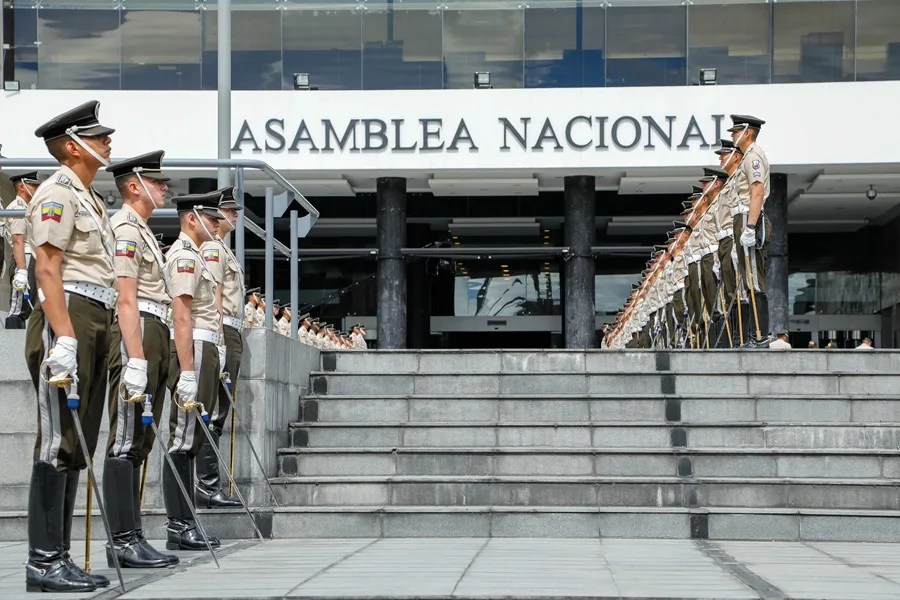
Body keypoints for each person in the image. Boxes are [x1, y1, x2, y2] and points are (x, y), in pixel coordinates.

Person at [24, 100, 116, 593]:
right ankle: (43, 561)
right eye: (98, 137)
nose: (108, 142)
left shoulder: (91, 197)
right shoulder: (57, 192)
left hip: (96, 313)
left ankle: (60, 557)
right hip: (70, 313)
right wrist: (62, 337)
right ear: (72, 146)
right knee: (57, 438)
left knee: (78, 443)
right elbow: (46, 266)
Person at [102, 151, 179, 568]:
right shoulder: (125, 228)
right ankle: (122, 540)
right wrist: (134, 357)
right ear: (134, 186)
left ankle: (132, 536)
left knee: (141, 437)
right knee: (127, 436)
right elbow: (127, 297)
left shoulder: (143, 230)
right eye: (157, 181)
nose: (165, 187)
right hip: (139, 330)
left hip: (155, 329)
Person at [163, 191, 226, 551]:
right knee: (183, 438)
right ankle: (179, 525)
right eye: (211, 218)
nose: (218, 224)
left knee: (193, 437)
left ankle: (186, 521)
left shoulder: (197, 255)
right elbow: (182, 314)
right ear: (192, 218)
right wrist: (187, 371)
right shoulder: (184, 256)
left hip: (205, 345)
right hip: (194, 347)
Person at [195, 187, 245, 510]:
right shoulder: (213, 248)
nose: (235, 215)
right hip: (222, 329)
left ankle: (209, 484)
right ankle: (207, 484)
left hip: (231, 329)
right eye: (229, 211)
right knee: (213, 410)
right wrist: (220, 339)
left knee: (220, 409)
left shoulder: (223, 248)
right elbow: (214, 294)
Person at [730, 115, 771, 345]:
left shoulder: (753, 156)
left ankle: (761, 335)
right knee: (747, 281)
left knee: (754, 279)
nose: (732, 135)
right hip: (742, 217)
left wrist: (751, 227)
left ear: (747, 132)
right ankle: (752, 336)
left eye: (736, 131)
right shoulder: (746, 157)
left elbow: (757, 192)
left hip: (749, 216)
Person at [4, 172, 40, 328]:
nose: (37, 189)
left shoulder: (28, 207)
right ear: (21, 187)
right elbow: (18, 240)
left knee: (27, 308)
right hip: (24, 258)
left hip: (31, 257)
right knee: (18, 309)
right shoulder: (17, 208)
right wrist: (22, 270)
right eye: (34, 185)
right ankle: (11, 342)